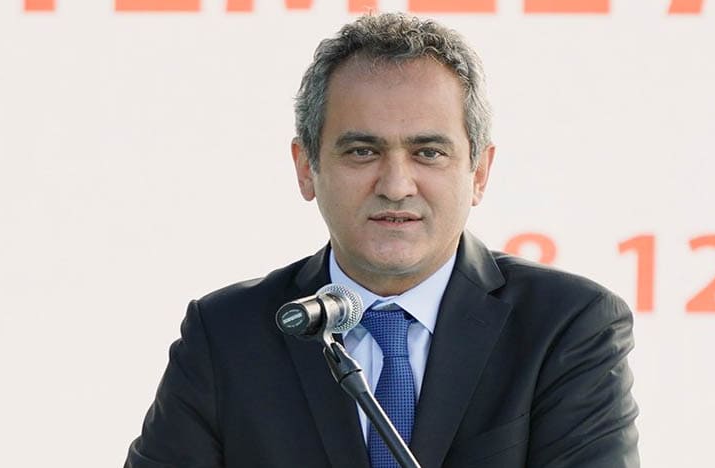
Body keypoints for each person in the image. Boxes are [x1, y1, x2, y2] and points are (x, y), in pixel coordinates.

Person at [125, 12, 639, 468]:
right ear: (306, 168)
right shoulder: (226, 334)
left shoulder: (565, 325)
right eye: (362, 152)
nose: (396, 186)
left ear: (479, 172)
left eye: (428, 152)